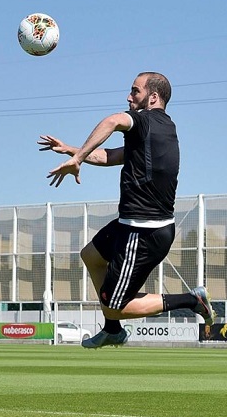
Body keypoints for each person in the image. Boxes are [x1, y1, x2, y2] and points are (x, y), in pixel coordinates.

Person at [38, 71, 216, 348]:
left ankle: (192, 300)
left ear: (153, 97)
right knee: (91, 256)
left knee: (115, 305)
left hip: (144, 232)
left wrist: (78, 158)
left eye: (135, 91)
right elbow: (112, 156)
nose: (129, 97)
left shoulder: (145, 121)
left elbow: (113, 120)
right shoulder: (160, 128)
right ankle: (112, 330)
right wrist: (72, 151)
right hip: (130, 224)